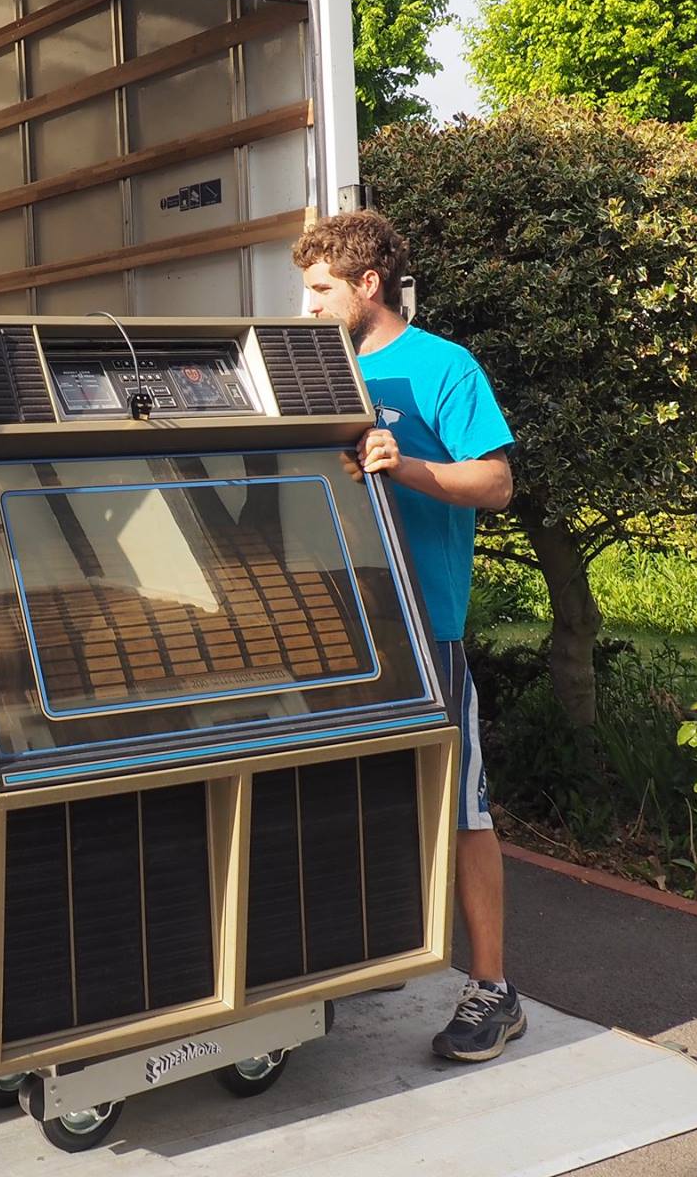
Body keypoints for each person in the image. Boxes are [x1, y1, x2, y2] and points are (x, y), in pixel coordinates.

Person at [292, 211, 521, 1063]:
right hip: (330, 628)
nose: (306, 306)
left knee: (460, 809)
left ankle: (493, 990)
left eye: (319, 290)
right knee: (346, 799)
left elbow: (495, 482)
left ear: (367, 286)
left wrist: (408, 466)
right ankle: (372, 954)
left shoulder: (442, 367)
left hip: (426, 632)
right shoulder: (312, 367)